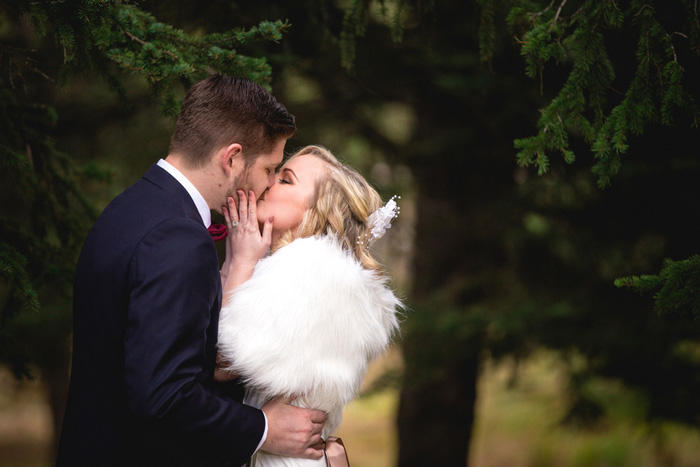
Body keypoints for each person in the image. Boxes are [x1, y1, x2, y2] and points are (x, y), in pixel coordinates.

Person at [57, 75, 327, 467]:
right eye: (270, 169)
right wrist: (264, 427)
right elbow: (165, 395)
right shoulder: (178, 238)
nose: (269, 184)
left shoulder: (131, 207)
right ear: (231, 158)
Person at [216, 145, 403, 466]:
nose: (269, 182)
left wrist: (241, 260)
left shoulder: (307, 273)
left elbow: (221, 362)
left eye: (286, 179)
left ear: (318, 210)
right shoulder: (319, 277)